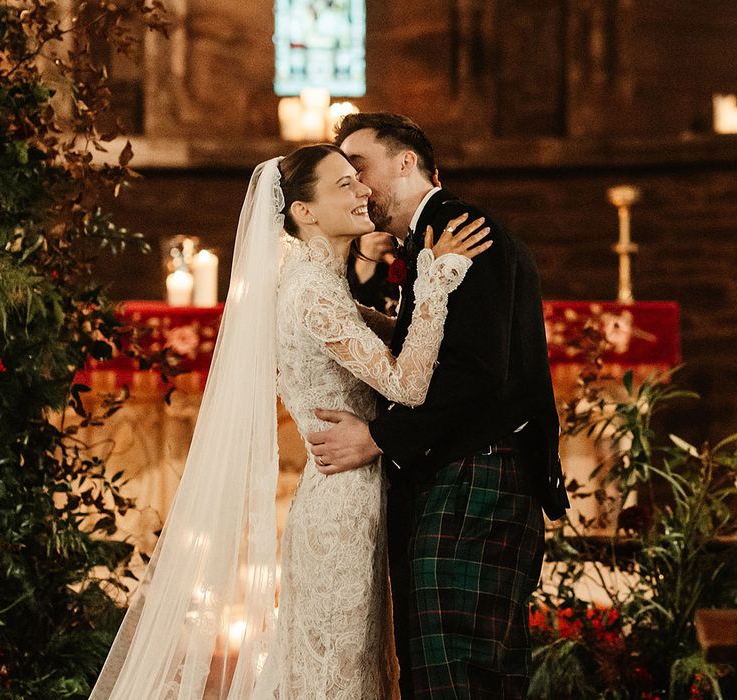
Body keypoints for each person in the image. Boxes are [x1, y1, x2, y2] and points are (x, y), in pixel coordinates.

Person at [89, 144, 492, 699]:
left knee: (353, 669)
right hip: (343, 508)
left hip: (356, 493)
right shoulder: (309, 293)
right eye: (344, 186)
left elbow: (390, 339)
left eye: (359, 180)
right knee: (337, 676)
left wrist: (395, 278)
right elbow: (408, 384)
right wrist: (439, 276)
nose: (363, 192)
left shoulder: (321, 283)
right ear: (304, 212)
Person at [308, 114, 570, 699]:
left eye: (360, 167)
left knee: (455, 672)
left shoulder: (465, 231)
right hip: (459, 476)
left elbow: (477, 372)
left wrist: (378, 439)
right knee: (453, 671)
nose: (355, 185)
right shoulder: (426, 241)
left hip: (475, 478)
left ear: (406, 162)